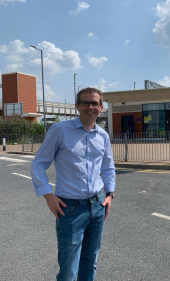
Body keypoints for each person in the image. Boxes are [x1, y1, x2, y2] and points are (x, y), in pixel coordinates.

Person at [31, 87, 116, 281]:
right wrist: (48, 196)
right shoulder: (60, 130)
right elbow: (38, 165)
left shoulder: (102, 136)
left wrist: (110, 194)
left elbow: (108, 168)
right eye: (85, 102)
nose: (90, 107)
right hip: (69, 208)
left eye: (94, 103)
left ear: (101, 107)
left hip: (97, 204)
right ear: (77, 106)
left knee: (90, 263)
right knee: (69, 270)